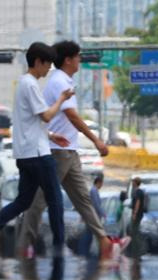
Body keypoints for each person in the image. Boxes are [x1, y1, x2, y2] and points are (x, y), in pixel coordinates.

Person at [0, 42, 74, 265]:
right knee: (55, 200)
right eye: (47, 65)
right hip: (38, 155)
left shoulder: (23, 85)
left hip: (25, 154)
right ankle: (58, 247)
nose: (48, 70)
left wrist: (52, 136)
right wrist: (61, 99)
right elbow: (46, 115)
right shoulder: (30, 84)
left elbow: (31, 122)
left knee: (24, 200)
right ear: (38, 62)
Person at [21, 40, 121, 262]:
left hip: (68, 150)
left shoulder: (64, 80)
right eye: (78, 56)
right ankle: (25, 244)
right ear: (68, 59)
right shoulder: (60, 82)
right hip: (58, 150)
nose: (80, 60)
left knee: (82, 199)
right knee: (40, 200)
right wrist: (96, 141)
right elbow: (72, 115)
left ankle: (104, 240)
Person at [77, 175, 106, 256]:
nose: (101, 186)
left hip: (93, 216)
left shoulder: (94, 190)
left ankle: (85, 251)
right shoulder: (94, 191)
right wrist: (103, 213)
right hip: (93, 216)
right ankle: (84, 251)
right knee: (89, 234)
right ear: (98, 182)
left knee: (89, 233)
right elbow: (96, 204)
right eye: (101, 184)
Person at [125, 177, 145, 258]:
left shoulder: (138, 192)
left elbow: (137, 203)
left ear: (136, 183)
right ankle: (136, 250)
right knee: (134, 231)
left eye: (133, 182)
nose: (132, 183)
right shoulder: (139, 191)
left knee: (134, 232)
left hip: (137, 214)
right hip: (139, 214)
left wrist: (134, 213)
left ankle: (136, 251)